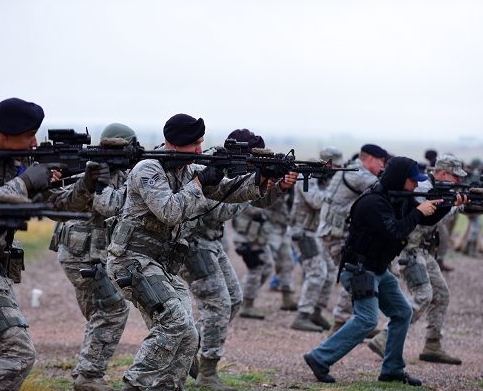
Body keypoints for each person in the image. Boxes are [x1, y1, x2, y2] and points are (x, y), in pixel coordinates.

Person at [105, 114, 290, 390]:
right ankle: (135, 384)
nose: (200, 151)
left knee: (189, 334)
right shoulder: (148, 169)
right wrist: (200, 183)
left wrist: (260, 179)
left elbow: (227, 192)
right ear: (175, 145)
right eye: (195, 145)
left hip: (161, 265)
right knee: (174, 323)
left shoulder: (186, 170)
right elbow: (169, 211)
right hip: (132, 261)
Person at [0, 97, 101, 391]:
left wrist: (86, 185)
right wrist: (26, 182)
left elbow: (56, 204)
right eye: (28, 136)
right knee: (17, 355)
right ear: (3, 135)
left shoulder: (16, 161)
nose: (34, 143)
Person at [304, 156, 465, 386]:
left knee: (402, 312)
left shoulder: (398, 198)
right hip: (360, 270)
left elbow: (426, 221)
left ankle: (392, 369)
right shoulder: (373, 202)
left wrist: (449, 203)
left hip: (378, 269)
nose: (415, 185)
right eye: (412, 181)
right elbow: (397, 230)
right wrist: (419, 211)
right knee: (367, 320)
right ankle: (319, 357)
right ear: (400, 179)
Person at [179, 128, 295, 390]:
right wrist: (251, 182)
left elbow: (258, 202)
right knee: (218, 305)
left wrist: (277, 187)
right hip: (195, 244)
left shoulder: (240, 175)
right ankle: (206, 373)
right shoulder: (214, 171)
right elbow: (218, 211)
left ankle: (187, 351)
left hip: (213, 243)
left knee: (234, 300)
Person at [49, 123, 137, 391]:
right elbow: (107, 206)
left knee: (100, 314)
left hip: (80, 253)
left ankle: (85, 373)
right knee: (112, 310)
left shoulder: (107, 169)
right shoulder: (100, 170)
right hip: (85, 255)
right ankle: (89, 376)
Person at [367, 154, 467, 365]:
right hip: (408, 251)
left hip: (423, 251)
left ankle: (432, 345)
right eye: (455, 177)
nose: (459, 181)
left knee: (441, 294)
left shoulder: (443, 191)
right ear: (442, 173)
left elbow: (438, 215)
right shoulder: (420, 188)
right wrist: (449, 205)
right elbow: (420, 217)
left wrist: (459, 204)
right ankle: (384, 338)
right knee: (423, 295)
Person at [316, 144, 387, 333]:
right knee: (357, 275)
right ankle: (341, 324)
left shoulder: (353, 168)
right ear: (370, 159)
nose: (383, 166)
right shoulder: (358, 173)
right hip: (335, 235)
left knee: (359, 274)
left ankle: (357, 319)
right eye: (381, 161)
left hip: (335, 232)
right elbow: (384, 189)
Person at [289, 147, 343, 332]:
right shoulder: (307, 176)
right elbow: (315, 201)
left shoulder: (326, 180)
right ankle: (302, 315)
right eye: (335, 166)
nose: (337, 170)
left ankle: (316, 312)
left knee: (329, 273)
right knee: (317, 272)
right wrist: (335, 191)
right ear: (327, 163)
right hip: (302, 232)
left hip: (316, 233)